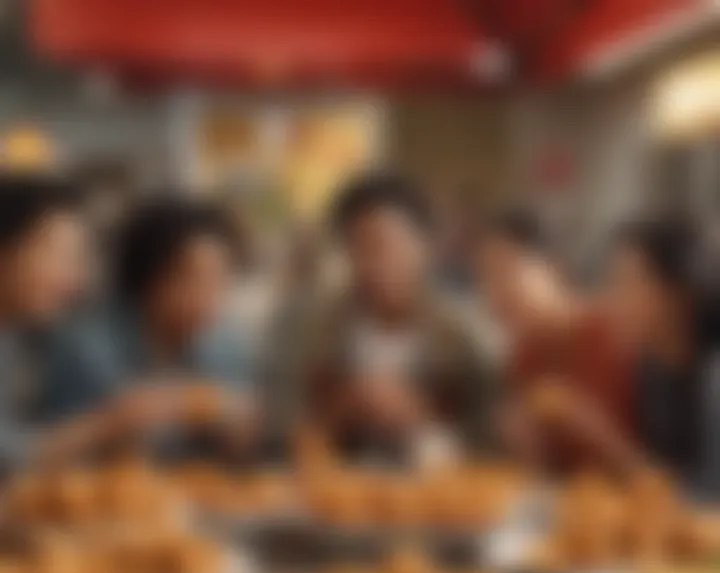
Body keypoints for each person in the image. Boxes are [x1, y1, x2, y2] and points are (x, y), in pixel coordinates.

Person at [43, 195, 262, 462]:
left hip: (197, 494)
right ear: (145, 278)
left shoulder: (226, 343)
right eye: (188, 278)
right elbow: (50, 457)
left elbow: (239, 456)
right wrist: (115, 421)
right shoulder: (87, 347)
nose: (207, 297)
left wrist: (239, 428)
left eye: (220, 280)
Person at [304, 174, 501, 466]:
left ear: (424, 245)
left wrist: (421, 416)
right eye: (359, 248)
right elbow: (294, 427)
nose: (375, 264)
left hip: (440, 493)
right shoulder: (321, 328)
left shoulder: (461, 334)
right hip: (341, 488)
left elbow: (490, 436)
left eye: (385, 245)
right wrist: (345, 408)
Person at [476, 210, 640, 475]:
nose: (494, 293)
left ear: (555, 267)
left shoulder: (617, 336)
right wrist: (526, 447)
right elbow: (548, 477)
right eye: (485, 278)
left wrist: (594, 431)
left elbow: (656, 474)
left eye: (505, 271)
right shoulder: (525, 356)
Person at [607, 218, 720, 498]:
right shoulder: (650, 367)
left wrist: (604, 441)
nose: (613, 299)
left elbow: (707, 500)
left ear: (677, 294)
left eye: (628, 283)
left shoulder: (713, 380)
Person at [0, 173, 91, 473]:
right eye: (61, 256)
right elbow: (8, 454)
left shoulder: (17, 340)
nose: (76, 280)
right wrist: (116, 420)